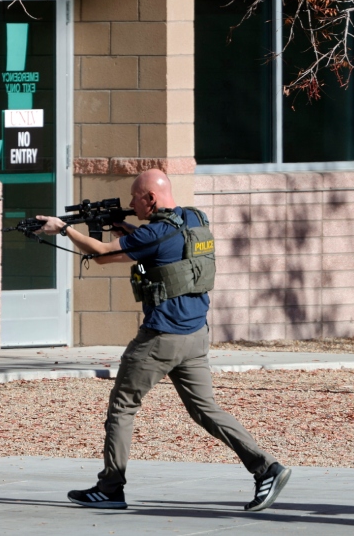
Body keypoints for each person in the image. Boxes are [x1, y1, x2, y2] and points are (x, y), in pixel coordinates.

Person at [36, 169, 290, 512]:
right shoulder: (194, 219)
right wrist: (131, 233)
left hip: (162, 337)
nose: (130, 204)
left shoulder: (155, 232)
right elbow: (161, 248)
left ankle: (110, 488)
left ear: (150, 199)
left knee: (123, 405)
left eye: (134, 198)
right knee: (206, 410)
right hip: (196, 335)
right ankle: (267, 468)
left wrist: (64, 229)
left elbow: (101, 254)